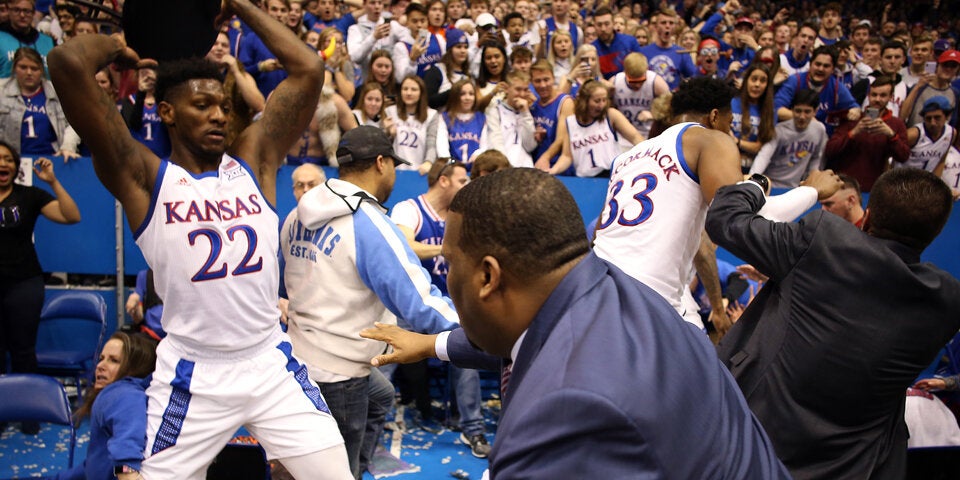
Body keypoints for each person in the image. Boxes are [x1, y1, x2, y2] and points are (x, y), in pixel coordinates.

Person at [47, 0, 352, 477]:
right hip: (194, 375)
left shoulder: (254, 158)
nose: (219, 116)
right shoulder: (144, 177)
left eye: (224, 107)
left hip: (270, 360)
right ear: (166, 111)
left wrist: (240, 7)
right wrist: (121, 46)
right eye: (202, 105)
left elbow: (308, 68)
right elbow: (65, 64)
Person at [360, 168, 790, 478]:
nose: (447, 273)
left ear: (488, 276)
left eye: (451, 262)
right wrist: (431, 343)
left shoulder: (564, 413)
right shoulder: (618, 287)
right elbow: (531, 341)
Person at [707, 167, 960, 479]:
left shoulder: (822, 242)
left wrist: (784, 187)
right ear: (934, 233)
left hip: (754, 444)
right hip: (852, 466)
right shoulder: (947, 300)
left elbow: (723, 216)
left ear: (867, 216)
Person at [281, 126, 462, 476]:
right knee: (337, 469)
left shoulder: (297, 214)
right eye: (393, 165)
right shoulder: (369, 222)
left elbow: (280, 278)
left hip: (300, 356)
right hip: (341, 373)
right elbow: (421, 303)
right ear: (381, 163)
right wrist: (478, 331)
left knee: (380, 397)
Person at [388, 159, 491, 458]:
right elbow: (404, 247)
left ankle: (473, 430)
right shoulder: (409, 209)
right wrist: (449, 249)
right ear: (444, 180)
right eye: (462, 180)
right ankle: (368, 422)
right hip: (412, 306)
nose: (467, 186)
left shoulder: (464, 215)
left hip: (452, 307)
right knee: (385, 362)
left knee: (469, 351)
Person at [0, 143, 80, 436]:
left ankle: (27, 414)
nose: (3, 164)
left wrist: (53, 182)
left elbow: (72, 216)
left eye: (8, 159)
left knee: (22, 351)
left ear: (16, 167)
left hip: (24, 283)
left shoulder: (30, 196)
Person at [53, 332, 158, 480]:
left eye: (114, 361)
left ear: (136, 368)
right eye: (101, 359)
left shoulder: (125, 394)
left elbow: (125, 458)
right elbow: (96, 462)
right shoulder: (117, 394)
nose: (100, 366)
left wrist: (128, 472)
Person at [825, 75, 910, 192]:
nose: (877, 99)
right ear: (868, 95)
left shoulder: (896, 124)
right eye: (874, 95)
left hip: (873, 188)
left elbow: (904, 156)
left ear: (891, 97)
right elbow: (830, 150)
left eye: (883, 95)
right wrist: (854, 132)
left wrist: (891, 135)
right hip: (843, 185)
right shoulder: (853, 118)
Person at [546, 79, 643, 177]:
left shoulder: (611, 115)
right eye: (597, 101)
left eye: (604, 100)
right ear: (584, 101)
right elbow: (566, 156)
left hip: (612, 174)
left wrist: (648, 154)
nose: (601, 105)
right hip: (585, 179)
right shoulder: (571, 123)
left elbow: (635, 137)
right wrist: (553, 170)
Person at [749, 89, 827, 188]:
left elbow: (816, 159)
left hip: (795, 188)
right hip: (771, 185)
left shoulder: (819, 130)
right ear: (792, 110)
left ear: (815, 111)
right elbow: (763, 156)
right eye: (798, 111)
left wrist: (812, 182)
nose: (802, 116)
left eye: (807, 112)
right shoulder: (779, 131)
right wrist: (751, 183)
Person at [0, 47, 69, 157]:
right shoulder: (1, 91)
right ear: (14, 68)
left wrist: (68, 146)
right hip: (12, 161)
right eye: (23, 67)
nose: (29, 73)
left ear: (42, 70)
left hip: (51, 158)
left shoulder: (58, 92)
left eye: (34, 68)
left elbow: (72, 125)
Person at [385, 75, 443, 175]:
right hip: (394, 172)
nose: (408, 93)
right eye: (405, 89)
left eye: (414, 89)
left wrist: (428, 162)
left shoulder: (431, 115)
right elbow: (382, 146)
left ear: (421, 93)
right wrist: (388, 133)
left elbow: (431, 144)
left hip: (419, 171)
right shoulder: (390, 111)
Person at [610, 52, 669, 140]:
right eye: (633, 81)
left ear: (646, 70)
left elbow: (672, 110)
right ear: (625, 73)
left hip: (649, 135)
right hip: (623, 136)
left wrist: (654, 115)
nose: (637, 85)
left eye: (641, 80)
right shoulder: (615, 82)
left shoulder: (656, 83)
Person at [485, 70, 536, 168]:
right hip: (502, 167)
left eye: (525, 90)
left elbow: (530, 146)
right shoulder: (495, 110)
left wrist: (525, 113)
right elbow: (495, 142)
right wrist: (507, 166)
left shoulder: (527, 112)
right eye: (518, 89)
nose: (522, 94)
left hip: (526, 168)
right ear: (507, 89)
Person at [733, 64, 776, 173]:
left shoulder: (770, 112)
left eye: (762, 81)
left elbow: (758, 147)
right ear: (746, 80)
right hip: (728, 163)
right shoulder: (732, 103)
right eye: (754, 79)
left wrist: (737, 142)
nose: (757, 84)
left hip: (753, 169)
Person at [639, 8, 696, 90]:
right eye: (663, 23)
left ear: (675, 27)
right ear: (656, 26)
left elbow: (693, 78)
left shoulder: (682, 53)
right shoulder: (643, 52)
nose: (667, 26)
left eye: (671, 23)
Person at [0, 0, 55, 78]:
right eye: (16, 10)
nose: (22, 15)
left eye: (27, 11)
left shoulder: (49, 42)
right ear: (9, 11)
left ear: (33, 13)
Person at [902, 96, 956, 172]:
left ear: (947, 116)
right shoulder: (914, 134)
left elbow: (941, 161)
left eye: (937, 117)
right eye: (928, 118)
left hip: (926, 181)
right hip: (903, 179)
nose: (932, 123)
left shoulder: (951, 133)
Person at [443, 78, 487, 167]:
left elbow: (485, 145)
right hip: (452, 169)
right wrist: (450, 163)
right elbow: (442, 147)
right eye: (462, 94)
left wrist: (477, 155)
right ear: (455, 96)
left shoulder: (481, 118)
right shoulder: (445, 117)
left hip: (475, 168)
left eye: (471, 94)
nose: (467, 98)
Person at [591, 6, 642, 80]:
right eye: (599, 25)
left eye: (607, 24)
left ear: (613, 24)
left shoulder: (630, 42)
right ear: (594, 26)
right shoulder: (592, 49)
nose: (603, 29)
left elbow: (640, 68)